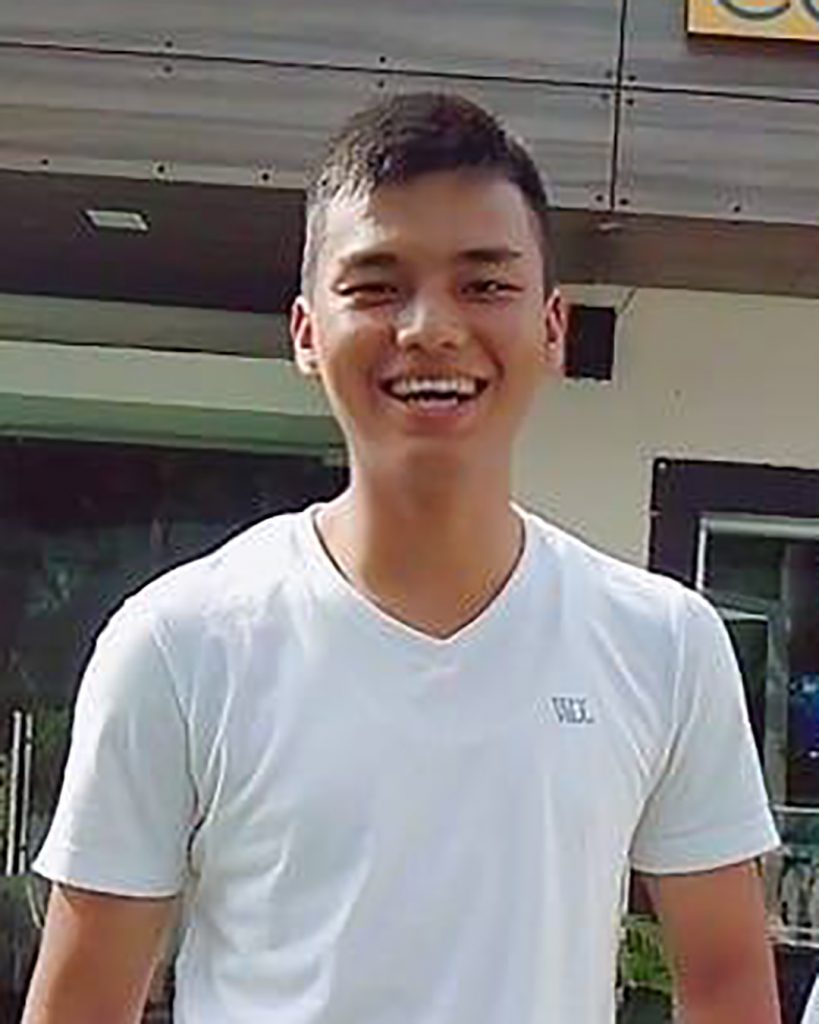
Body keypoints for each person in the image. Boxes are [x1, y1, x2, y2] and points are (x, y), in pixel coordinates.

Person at [22, 92, 781, 1024]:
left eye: (484, 285)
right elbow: (82, 1002)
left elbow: (728, 984)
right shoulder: (180, 642)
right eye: (376, 286)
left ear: (552, 327)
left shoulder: (662, 642)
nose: (430, 328)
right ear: (306, 332)